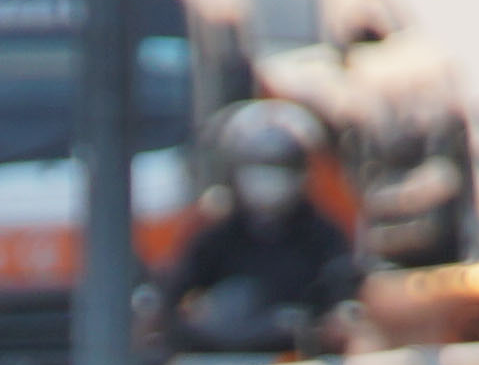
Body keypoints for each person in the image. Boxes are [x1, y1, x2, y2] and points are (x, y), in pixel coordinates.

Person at [156, 99, 365, 348]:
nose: (267, 182)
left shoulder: (324, 237)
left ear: (302, 174)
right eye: (257, 169)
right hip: (215, 360)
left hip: (297, 364)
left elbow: (341, 299)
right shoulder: (217, 236)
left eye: (279, 168)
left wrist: (331, 324)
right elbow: (174, 298)